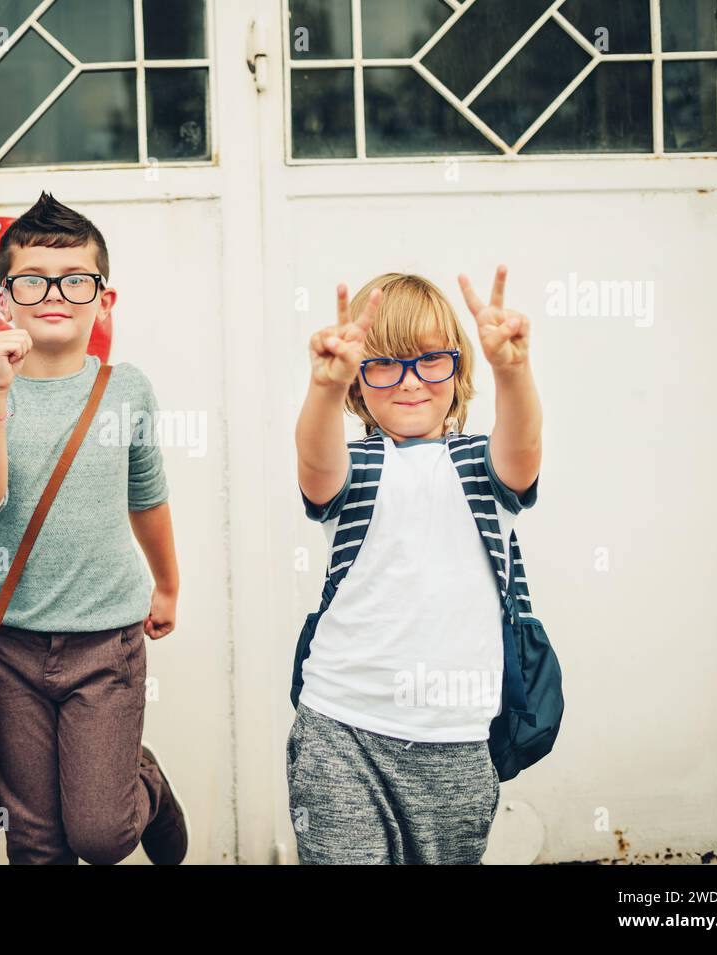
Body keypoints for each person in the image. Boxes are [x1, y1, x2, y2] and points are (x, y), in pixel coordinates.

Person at [0, 192, 188, 864]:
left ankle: (146, 785)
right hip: (10, 644)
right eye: (34, 281)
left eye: (76, 280)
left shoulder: (125, 388)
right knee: (37, 838)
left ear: (103, 300)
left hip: (106, 642)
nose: (55, 293)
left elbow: (149, 495)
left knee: (100, 833)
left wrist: (167, 584)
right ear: (4, 300)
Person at [289, 267, 542, 863]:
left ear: (458, 369)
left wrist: (513, 370)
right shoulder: (354, 466)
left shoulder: (482, 465)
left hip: (455, 739)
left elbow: (523, 448)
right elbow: (315, 461)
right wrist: (323, 389)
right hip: (340, 728)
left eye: (431, 360)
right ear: (359, 381)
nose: (409, 382)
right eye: (384, 364)